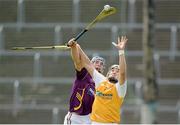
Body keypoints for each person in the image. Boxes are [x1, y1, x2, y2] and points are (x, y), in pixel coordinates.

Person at [68, 36, 128, 124]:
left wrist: (121, 52)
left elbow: (123, 73)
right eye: (112, 69)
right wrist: (76, 46)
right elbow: (86, 63)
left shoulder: (120, 88)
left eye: (117, 71)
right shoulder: (101, 81)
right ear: (107, 74)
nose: (115, 72)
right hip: (89, 121)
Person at [64, 38, 106, 124]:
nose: (99, 65)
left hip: (90, 119)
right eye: (96, 62)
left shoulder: (103, 83)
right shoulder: (84, 74)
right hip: (75, 118)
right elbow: (77, 61)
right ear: (90, 64)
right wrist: (74, 47)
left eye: (101, 64)